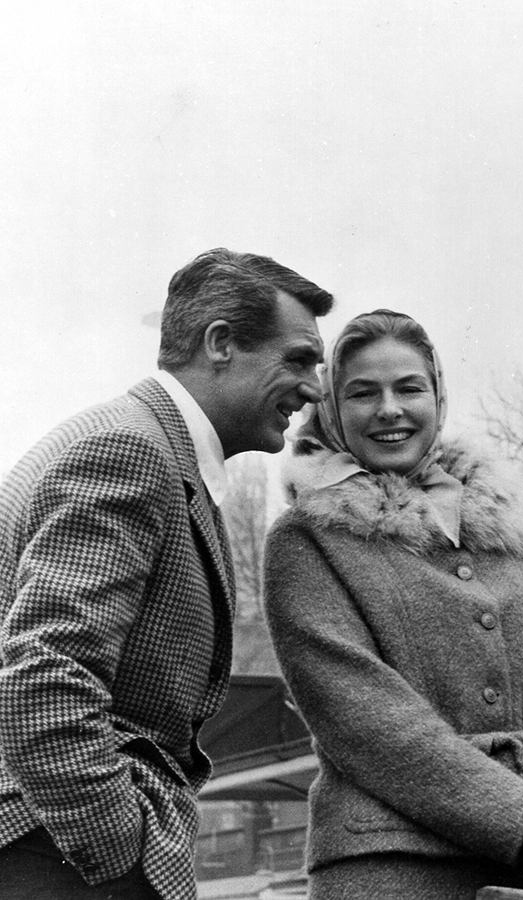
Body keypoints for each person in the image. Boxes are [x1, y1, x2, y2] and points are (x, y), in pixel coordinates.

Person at [0, 248, 333, 900]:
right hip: (56, 858)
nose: (315, 388)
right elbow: (44, 679)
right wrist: (121, 859)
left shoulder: (152, 452)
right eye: (298, 359)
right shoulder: (131, 452)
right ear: (220, 343)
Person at [263, 310, 523, 900]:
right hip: (395, 869)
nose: (389, 409)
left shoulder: (511, 530)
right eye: (363, 393)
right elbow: (370, 724)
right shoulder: (307, 541)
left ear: (438, 396)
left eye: (409, 388)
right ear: (331, 411)